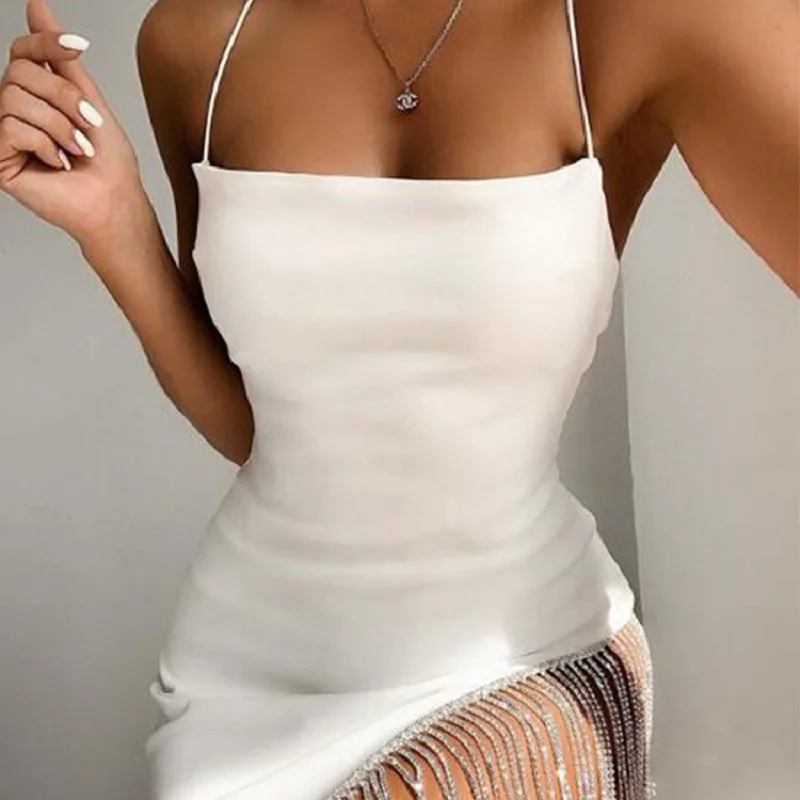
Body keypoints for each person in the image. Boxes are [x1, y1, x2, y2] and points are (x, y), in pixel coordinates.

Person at [1, 0, 797, 797]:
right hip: (238, 684)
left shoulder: (639, 16)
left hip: (519, 668)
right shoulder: (197, 37)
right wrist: (116, 222)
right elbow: (264, 427)